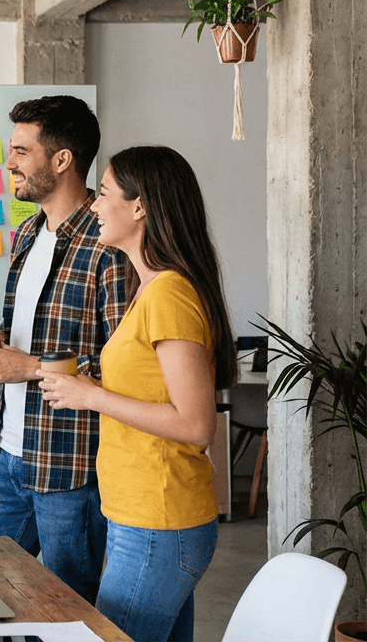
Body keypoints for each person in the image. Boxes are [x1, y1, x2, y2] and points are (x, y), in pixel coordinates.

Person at [39, 145, 233, 642]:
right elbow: (151, 387)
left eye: (103, 194)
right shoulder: (147, 288)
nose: (95, 206)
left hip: (158, 522)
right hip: (144, 518)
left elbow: (195, 426)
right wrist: (89, 385)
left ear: (140, 206)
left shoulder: (168, 293)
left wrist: (91, 396)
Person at [0, 95, 127, 603]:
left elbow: (127, 367)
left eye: (20, 150)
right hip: (7, 455)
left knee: (66, 609)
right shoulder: (28, 234)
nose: (8, 162)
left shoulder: (109, 248)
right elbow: (32, 343)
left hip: (70, 467)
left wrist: (27, 366)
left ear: (61, 159)